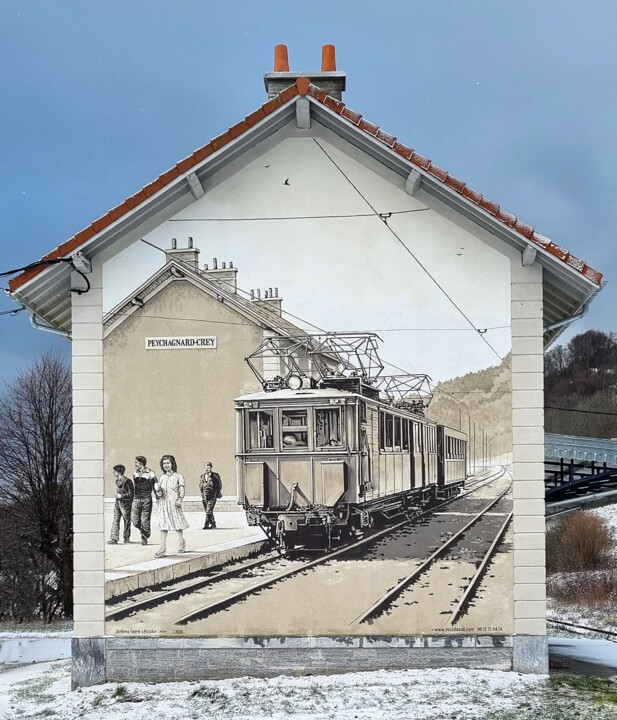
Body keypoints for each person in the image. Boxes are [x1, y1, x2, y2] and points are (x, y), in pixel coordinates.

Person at [153, 454, 189, 557]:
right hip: (163, 504)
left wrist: (180, 499)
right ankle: (162, 548)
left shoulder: (178, 476)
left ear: (172, 463)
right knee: (163, 525)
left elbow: (182, 489)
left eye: (168, 463)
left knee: (177, 523)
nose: (166, 465)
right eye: (164, 463)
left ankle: (181, 542)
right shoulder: (162, 477)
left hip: (174, 503)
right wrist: (158, 494)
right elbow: (159, 491)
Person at [131, 456, 157, 545]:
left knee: (145, 520)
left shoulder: (150, 473)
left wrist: (157, 494)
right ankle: (146, 532)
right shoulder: (135, 473)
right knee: (134, 520)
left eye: (136, 462)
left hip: (146, 499)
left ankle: (144, 538)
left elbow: (155, 485)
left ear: (141, 463)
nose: (135, 464)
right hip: (136, 499)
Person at [107, 464, 134, 545]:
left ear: (119, 472)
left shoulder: (128, 481)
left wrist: (121, 496)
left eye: (115, 471)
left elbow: (132, 494)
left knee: (126, 521)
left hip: (126, 504)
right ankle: (114, 538)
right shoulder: (117, 481)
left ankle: (126, 538)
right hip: (117, 503)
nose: (113, 472)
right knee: (115, 520)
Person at [199, 462, 222, 529]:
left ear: (211, 468)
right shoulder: (202, 476)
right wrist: (202, 494)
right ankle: (212, 523)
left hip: (212, 495)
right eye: (205, 468)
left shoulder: (215, 475)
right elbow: (200, 485)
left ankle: (207, 523)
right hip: (204, 495)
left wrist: (216, 493)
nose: (206, 469)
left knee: (208, 511)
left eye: (208, 468)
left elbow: (219, 485)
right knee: (208, 511)